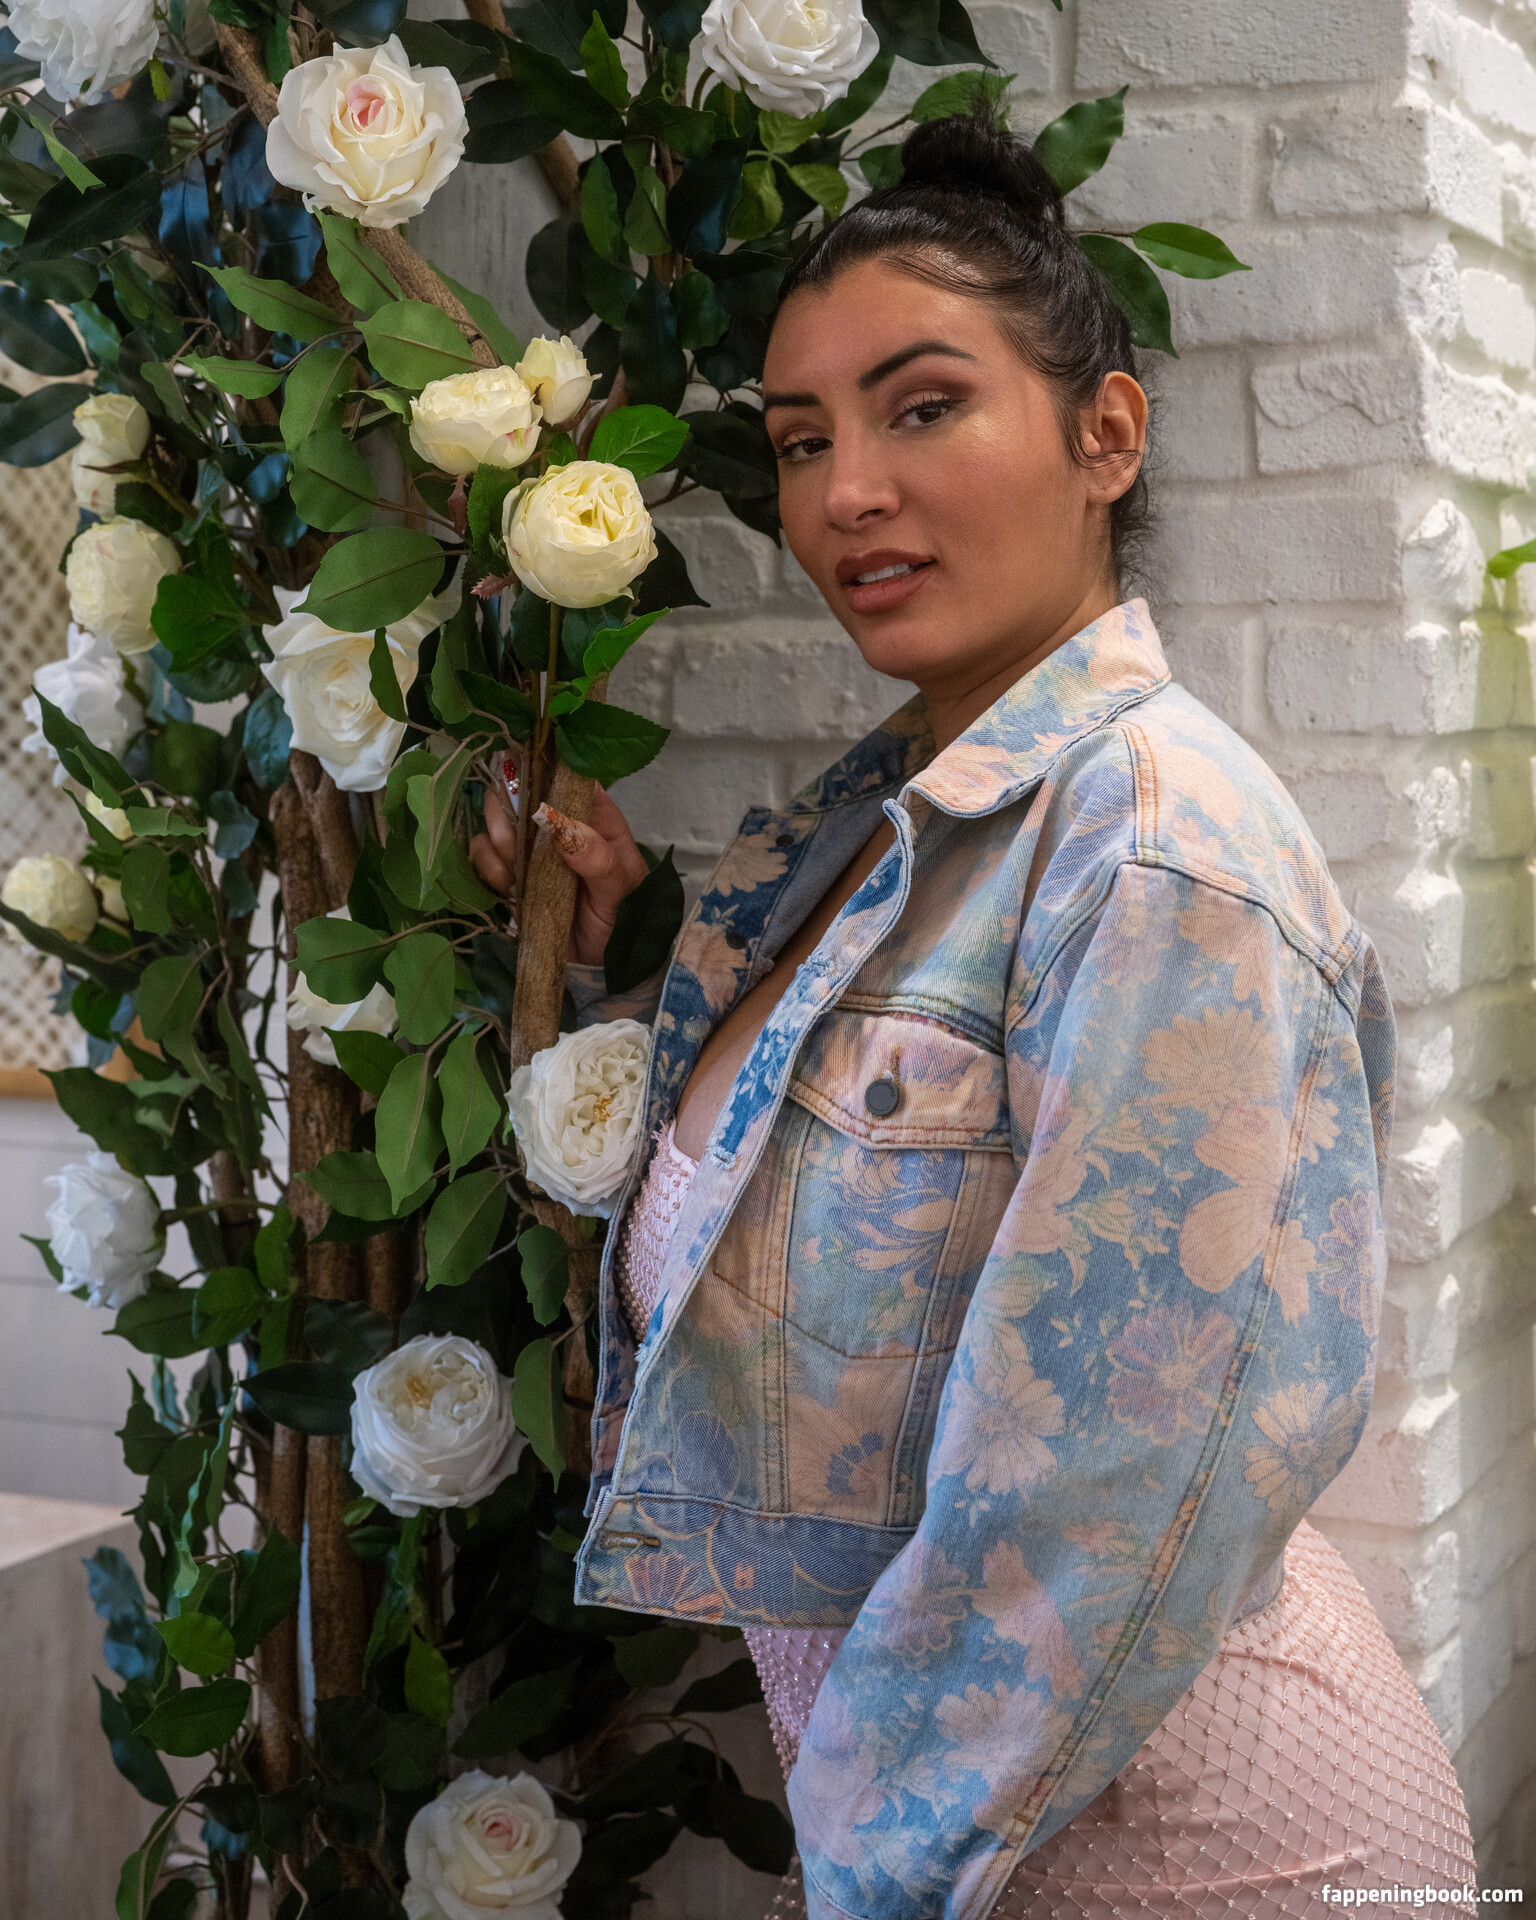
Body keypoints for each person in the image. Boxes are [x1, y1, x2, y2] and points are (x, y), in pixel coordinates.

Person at [471, 113, 1476, 1920]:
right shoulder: (890, 831)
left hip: (1177, 1842)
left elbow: (1096, 1497)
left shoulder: (1159, 851)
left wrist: (872, 1872)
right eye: (802, 440)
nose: (846, 491)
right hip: (986, 1822)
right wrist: (635, 969)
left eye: (922, 408)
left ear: (1107, 436)